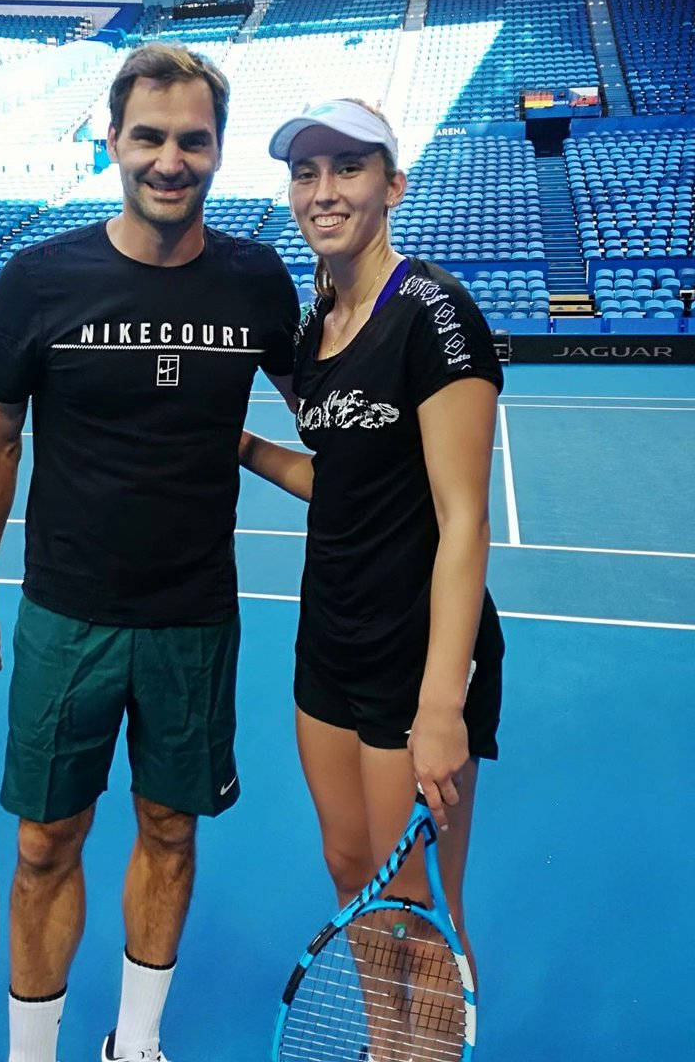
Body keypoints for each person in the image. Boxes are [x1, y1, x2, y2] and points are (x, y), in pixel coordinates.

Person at [0, 43, 300, 1062]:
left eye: (193, 140)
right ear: (113, 141)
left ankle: (134, 1045)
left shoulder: (256, 281)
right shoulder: (39, 279)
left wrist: (282, 458)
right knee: (45, 844)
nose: (169, 159)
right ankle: (34, 1053)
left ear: (219, 152)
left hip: (195, 622)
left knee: (172, 833)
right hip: (65, 617)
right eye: (149, 136)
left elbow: (328, 413)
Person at [239, 99, 504, 1019]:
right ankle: (386, 1043)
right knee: (352, 870)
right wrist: (242, 448)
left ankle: (422, 1048)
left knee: (417, 906)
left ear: (393, 184)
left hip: (416, 649)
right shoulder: (316, 328)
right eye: (306, 173)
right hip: (330, 639)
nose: (324, 190)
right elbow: (344, 480)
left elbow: (461, 519)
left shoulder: (434, 312)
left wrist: (442, 705)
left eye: (349, 168)